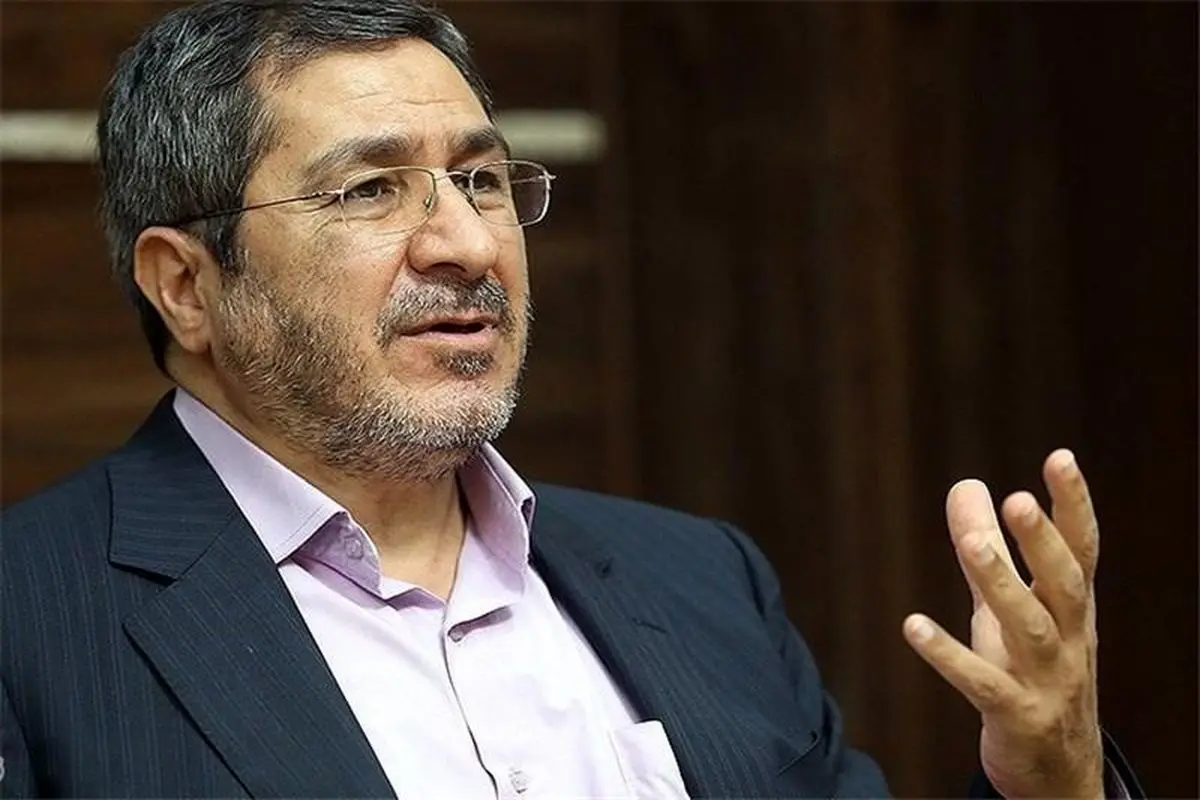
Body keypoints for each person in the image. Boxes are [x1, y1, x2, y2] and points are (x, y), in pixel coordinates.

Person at [0, 1, 1142, 797]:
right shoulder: (29, 621)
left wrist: (1050, 781)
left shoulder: (698, 580)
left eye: (482, 179)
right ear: (186, 284)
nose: (464, 243)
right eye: (370, 190)